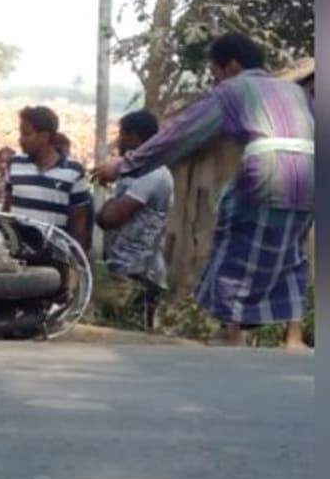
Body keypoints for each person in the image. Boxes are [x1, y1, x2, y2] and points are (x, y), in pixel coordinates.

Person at [93, 33, 314, 348]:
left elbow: (179, 135)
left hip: (267, 167)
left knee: (234, 239)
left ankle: (232, 329)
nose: (215, 80)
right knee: (292, 250)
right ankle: (293, 339)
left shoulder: (231, 90)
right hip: (313, 172)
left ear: (232, 66)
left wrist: (123, 166)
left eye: (216, 73)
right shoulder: (296, 91)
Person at [96, 110, 173, 330]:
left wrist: (106, 211)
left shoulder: (154, 174)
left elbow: (110, 217)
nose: (119, 141)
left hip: (141, 276)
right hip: (121, 270)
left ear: (136, 138)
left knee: (132, 336)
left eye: (123, 135)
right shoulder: (133, 174)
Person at [3, 106, 93, 249]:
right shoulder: (14, 164)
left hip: (53, 256)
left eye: (26, 134)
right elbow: (6, 209)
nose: (21, 140)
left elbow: (78, 225)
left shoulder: (74, 171)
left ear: (44, 136)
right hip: (16, 254)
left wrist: (75, 264)